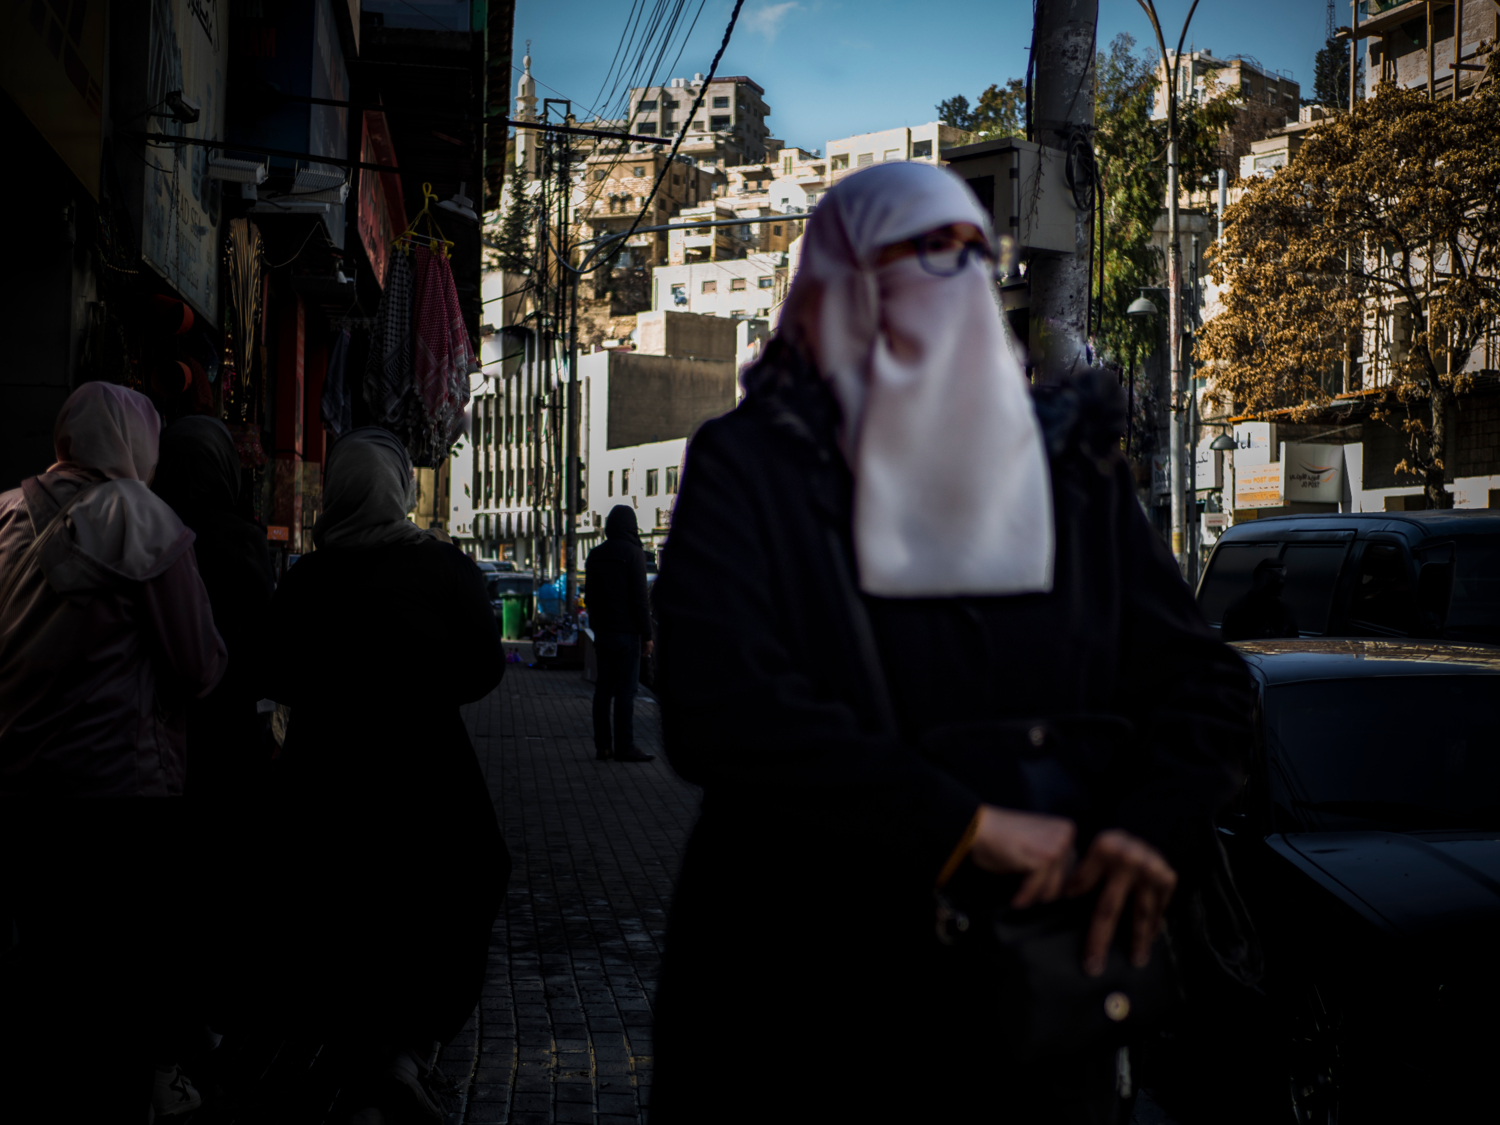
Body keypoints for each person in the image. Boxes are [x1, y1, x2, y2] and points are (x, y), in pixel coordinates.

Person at [649, 162, 1253, 1121]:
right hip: (804, 1005)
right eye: (918, 255)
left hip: (1031, 1023)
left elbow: (1203, 685)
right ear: (839, 282)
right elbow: (715, 700)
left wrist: (1153, 823)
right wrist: (959, 824)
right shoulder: (758, 464)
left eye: (972, 253)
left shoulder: (1072, 484)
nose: (952, 281)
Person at [259, 427, 508, 1123]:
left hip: (323, 775)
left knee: (340, 903)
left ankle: (356, 1057)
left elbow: (272, 669)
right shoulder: (441, 567)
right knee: (459, 883)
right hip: (429, 771)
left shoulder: (307, 579)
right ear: (397, 490)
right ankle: (409, 1052)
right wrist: (421, 692)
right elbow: (484, 666)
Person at [0, 381, 226, 1120]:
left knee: (47, 968)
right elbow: (196, 663)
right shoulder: (146, 521)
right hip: (121, 793)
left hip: (25, 786)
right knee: (120, 976)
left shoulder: (5, 513)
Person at [152, 414, 276, 796]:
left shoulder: (146, 531)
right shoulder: (241, 538)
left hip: (152, 725)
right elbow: (264, 644)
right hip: (228, 725)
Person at [584, 504, 655, 762]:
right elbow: (640, 599)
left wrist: (597, 624)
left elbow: (589, 595)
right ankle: (625, 747)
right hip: (627, 634)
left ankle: (603, 746)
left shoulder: (595, 554)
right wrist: (647, 635)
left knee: (604, 689)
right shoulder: (634, 553)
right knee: (626, 692)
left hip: (603, 633)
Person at [1220, 559, 1299, 641]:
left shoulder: (1286, 613)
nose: (1277, 588)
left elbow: (1293, 644)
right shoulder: (1238, 611)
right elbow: (1228, 643)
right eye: (1272, 583)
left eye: (1278, 585)